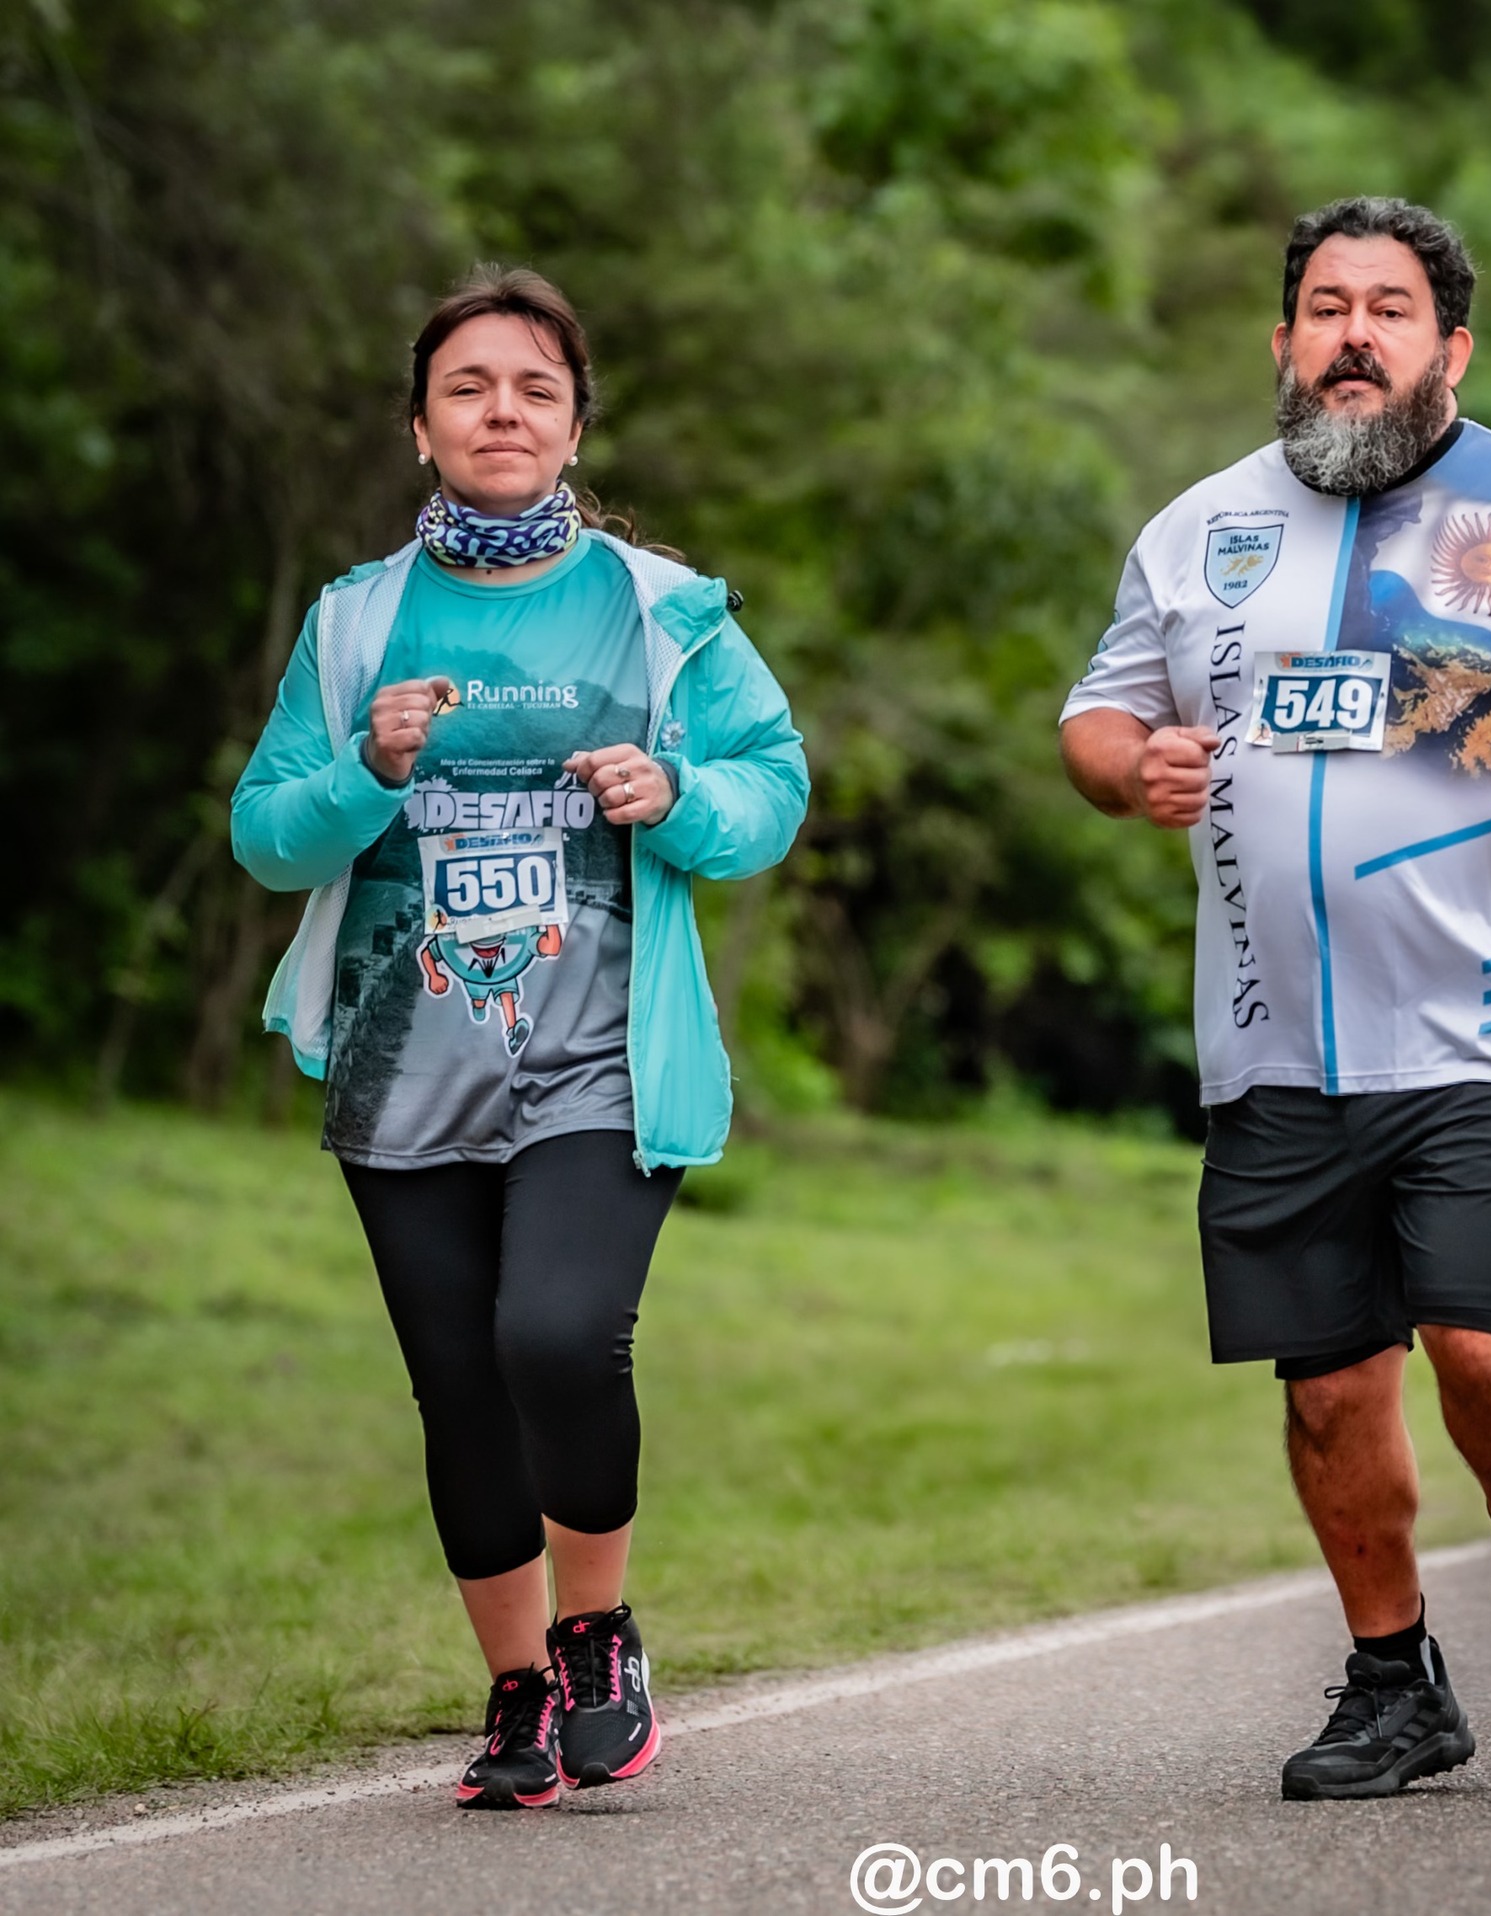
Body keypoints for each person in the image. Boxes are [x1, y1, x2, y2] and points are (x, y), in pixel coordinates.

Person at [1059, 197, 1491, 1799]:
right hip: (1274, 1030)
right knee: (1332, 1385)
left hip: (1486, 1020)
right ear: (1282, 341)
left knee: (1476, 1342)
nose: (1356, 333)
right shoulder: (1198, 528)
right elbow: (1096, 712)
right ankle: (1390, 1681)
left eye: (1392, 308)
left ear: (1449, 346)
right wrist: (1126, 766)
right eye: (1327, 306)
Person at [232, 265, 808, 1809]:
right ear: (419, 426)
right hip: (398, 1065)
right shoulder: (355, 622)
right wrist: (366, 767)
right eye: (470, 388)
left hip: (600, 1056)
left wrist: (679, 798)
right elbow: (270, 834)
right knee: (458, 1388)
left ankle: (597, 1631)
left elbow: (773, 784)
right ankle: (511, 1694)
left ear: (574, 426)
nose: (503, 411)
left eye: (535, 390)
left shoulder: (658, 609)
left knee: (553, 1336)